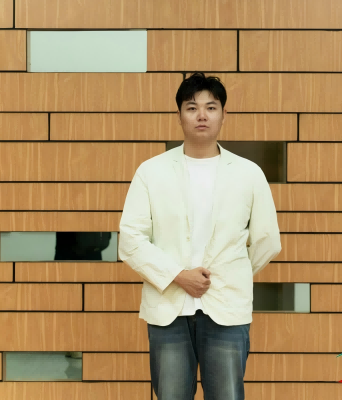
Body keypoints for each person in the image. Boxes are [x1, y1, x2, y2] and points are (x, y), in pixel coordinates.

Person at [118, 72, 282, 400]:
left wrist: (230, 275)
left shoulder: (249, 173)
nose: (202, 115)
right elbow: (130, 240)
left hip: (227, 309)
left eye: (211, 107)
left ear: (223, 114)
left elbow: (267, 241)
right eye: (192, 108)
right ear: (179, 115)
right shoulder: (151, 171)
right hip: (168, 308)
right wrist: (179, 276)